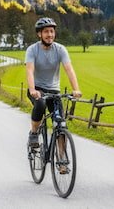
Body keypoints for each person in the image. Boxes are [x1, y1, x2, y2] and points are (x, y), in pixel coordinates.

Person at [25, 17, 82, 150]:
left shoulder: (60, 49)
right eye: (46, 32)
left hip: (54, 91)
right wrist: (33, 89)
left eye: (52, 31)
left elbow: (69, 69)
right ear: (39, 34)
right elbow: (29, 70)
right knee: (40, 103)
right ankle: (34, 133)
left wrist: (76, 89)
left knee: (61, 124)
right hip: (37, 88)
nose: (50, 34)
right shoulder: (32, 50)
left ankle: (62, 160)